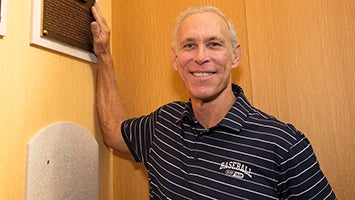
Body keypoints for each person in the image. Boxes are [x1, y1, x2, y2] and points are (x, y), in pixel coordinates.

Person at [91, 3, 336, 199]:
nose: (200, 57)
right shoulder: (163, 124)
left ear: (234, 56)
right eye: (189, 45)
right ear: (175, 59)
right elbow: (113, 130)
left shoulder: (284, 145)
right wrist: (103, 54)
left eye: (214, 44)